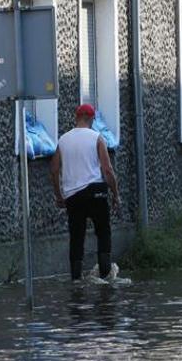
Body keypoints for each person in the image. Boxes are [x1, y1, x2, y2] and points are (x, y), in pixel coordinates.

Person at [50, 104, 120, 281]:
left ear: (76, 117)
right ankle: (106, 275)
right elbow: (107, 169)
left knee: (76, 236)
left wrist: (59, 195)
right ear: (91, 119)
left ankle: (76, 279)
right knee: (103, 231)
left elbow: (54, 169)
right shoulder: (97, 137)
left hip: (73, 195)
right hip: (96, 191)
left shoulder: (63, 140)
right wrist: (115, 194)